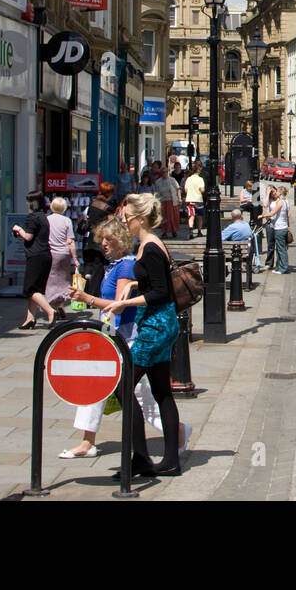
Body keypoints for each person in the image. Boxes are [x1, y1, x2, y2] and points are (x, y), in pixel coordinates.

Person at [60, 217, 189, 460]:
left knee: (139, 391)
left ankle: (170, 435)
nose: (103, 244)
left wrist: (87, 299)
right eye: (102, 240)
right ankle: (89, 442)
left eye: (108, 239)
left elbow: (118, 305)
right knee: (98, 384)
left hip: (127, 334)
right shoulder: (113, 265)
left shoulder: (127, 265)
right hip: (109, 334)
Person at [101, 193, 183, 477]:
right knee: (161, 392)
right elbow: (155, 281)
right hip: (161, 322)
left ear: (141, 218)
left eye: (127, 218)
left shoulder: (149, 247)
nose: (125, 222)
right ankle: (168, 460)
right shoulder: (148, 245)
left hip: (156, 325)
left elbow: (160, 292)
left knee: (122, 386)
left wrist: (125, 302)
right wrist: (135, 283)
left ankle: (141, 458)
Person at [13, 192, 56, 329]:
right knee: (36, 289)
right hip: (46, 255)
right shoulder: (43, 217)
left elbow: (28, 237)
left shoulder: (32, 217)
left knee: (30, 289)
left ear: (32, 203)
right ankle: (30, 319)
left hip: (36, 256)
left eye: (28, 201)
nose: (26, 204)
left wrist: (18, 229)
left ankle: (50, 311)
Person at [44, 197, 80, 311]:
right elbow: (70, 241)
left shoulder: (46, 219)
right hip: (63, 254)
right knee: (63, 281)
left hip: (50, 253)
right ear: (64, 208)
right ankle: (60, 305)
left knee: (50, 280)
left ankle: (51, 306)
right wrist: (75, 259)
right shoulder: (67, 221)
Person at [80, 183, 116, 296]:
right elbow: (111, 225)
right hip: (100, 240)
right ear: (109, 193)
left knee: (88, 265)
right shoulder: (108, 208)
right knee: (98, 267)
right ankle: (93, 295)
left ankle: (84, 292)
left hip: (89, 238)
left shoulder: (93, 203)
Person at [263, 185, 291, 274]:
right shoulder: (281, 201)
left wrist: (263, 216)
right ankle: (279, 267)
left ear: (280, 193)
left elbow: (273, 213)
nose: (275, 193)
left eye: (277, 191)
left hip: (280, 227)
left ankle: (283, 267)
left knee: (281, 249)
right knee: (278, 248)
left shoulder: (281, 202)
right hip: (278, 226)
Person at [154, 169, 182, 239]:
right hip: (163, 201)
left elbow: (178, 189)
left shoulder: (172, 180)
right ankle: (164, 232)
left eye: (166, 172)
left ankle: (174, 230)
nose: (165, 174)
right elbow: (156, 192)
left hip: (172, 201)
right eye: (163, 172)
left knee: (173, 217)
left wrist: (179, 198)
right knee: (164, 217)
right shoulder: (158, 182)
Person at [184, 162, 206, 238]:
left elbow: (186, 190)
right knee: (199, 216)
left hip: (190, 199)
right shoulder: (200, 179)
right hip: (198, 199)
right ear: (199, 170)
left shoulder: (188, 179)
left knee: (191, 216)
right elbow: (202, 190)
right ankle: (199, 231)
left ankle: (190, 230)